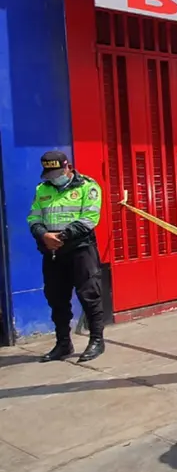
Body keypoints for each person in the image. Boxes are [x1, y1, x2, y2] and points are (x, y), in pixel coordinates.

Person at [27, 151, 105, 363]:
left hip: (80, 249)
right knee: (56, 298)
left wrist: (61, 236)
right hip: (52, 253)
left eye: (57, 172)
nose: (54, 177)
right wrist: (43, 235)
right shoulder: (42, 189)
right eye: (49, 173)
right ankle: (63, 343)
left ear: (68, 166)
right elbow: (34, 217)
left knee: (89, 295)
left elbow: (90, 218)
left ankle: (97, 341)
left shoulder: (88, 187)